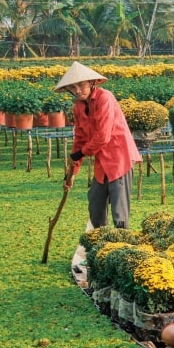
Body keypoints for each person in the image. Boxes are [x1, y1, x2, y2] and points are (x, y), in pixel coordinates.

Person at [55, 61, 142, 229]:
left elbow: (103, 136)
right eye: (73, 88)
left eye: (81, 85)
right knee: (95, 204)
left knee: (119, 213)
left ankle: (121, 245)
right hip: (102, 162)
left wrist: (81, 153)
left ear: (91, 83)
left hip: (119, 158)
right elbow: (80, 138)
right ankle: (102, 243)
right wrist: (72, 172)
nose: (78, 90)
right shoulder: (78, 107)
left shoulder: (105, 98)